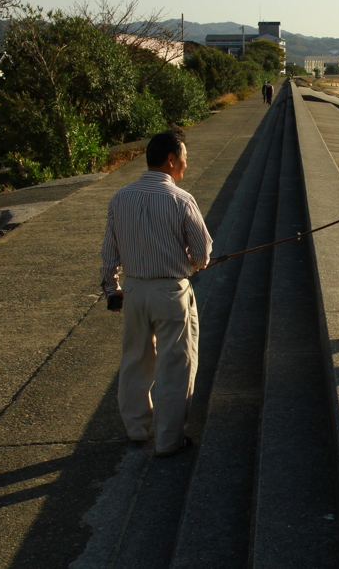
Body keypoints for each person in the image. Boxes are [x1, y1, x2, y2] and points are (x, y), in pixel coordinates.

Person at [100, 129, 212, 457]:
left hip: (133, 290)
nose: (185, 168)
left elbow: (109, 254)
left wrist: (112, 289)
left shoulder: (120, 197)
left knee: (135, 360)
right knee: (174, 366)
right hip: (170, 293)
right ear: (171, 160)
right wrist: (194, 264)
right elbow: (203, 250)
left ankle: (137, 429)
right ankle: (168, 440)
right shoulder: (181, 199)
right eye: (184, 161)